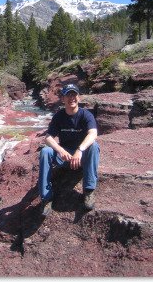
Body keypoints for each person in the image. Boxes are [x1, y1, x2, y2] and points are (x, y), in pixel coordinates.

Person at [39, 83, 100, 216]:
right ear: (63, 99)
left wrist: (80, 150)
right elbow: (48, 137)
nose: (71, 98)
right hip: (64, 156)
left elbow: (93, 134)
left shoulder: (86, 115)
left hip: (82, 157)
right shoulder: (59, 116)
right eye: (68, 95)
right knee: (45, 152)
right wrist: (60, 150)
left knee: (94, 146)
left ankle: (89, 191)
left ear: (79, 98)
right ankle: (46, 198)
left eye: (74, 94)